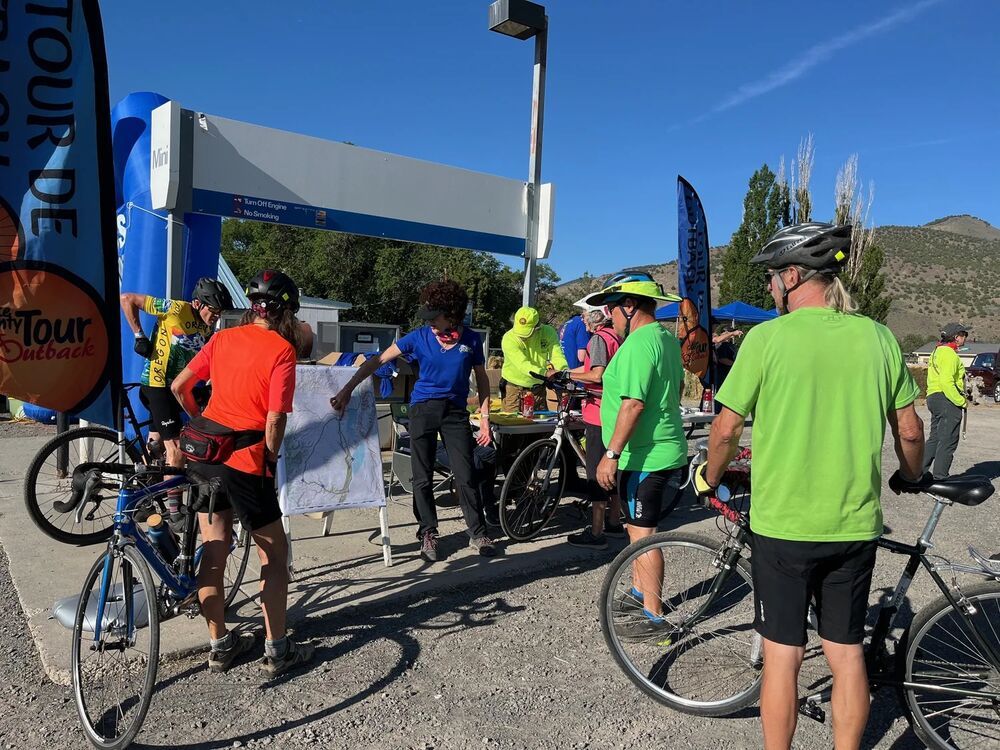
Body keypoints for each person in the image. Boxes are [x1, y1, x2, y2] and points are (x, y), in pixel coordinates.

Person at [696, 223, 924, 750]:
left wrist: (708, 478)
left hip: (784, 526)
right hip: (853, 524)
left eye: (774, 278)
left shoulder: (767, 339)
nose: (772, 288)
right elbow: (910, 430)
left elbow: (726, 429)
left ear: (794, 275)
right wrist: (911, 475)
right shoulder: (878, 336)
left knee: (783, 654)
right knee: (845, 652)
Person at [171, 269, 314, 678]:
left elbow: (182, 386)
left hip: (205, 455)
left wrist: (207, 425)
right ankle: (278, 649)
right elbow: (273, 421)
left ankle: (220, 645)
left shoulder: (222, 337)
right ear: (286, 311)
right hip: (247, 462)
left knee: (214, 550)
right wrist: (270, 460)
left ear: (253, 306)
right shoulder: (282, 350)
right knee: (274, 551)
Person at [331, 280, 496, 562]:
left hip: (455, 412)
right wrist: (347, 389)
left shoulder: (470, 340)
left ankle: (477, 532)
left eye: (436, 317)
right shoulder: (417, 337)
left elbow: (481, 378)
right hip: (422, 409)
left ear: (452, 314)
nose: (431, 323)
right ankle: (428, 532)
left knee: (466, 473)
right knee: (422, 476)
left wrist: (484, 419)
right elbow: (377, 361)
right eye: (428, 318)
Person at [580, 272, 687, 629]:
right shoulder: (665, 339)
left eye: (611, 308)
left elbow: (633, 405)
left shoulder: (641, 344)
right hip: (658, 450)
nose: (608, 316)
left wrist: (610, 455)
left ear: (629, 306)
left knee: (644, 536)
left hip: (645, 455)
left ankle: (654, 618)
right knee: (635, 529)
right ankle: (642, 592)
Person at [120, 278, 233, 469]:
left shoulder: (206, 327)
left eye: (219, 313)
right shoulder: (176, 308)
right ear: (197, 303)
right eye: (213, 310)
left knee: (157, 445)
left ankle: (146, 485)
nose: (215, 316)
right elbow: (127, 298)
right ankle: (175, 499)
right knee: (177, 450)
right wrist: (139, 335)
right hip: (157, 386)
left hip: (174, 389)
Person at [566, 306, 625, 549]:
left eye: (583, 316)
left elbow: (597, 374)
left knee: (595, 473)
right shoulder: (617, 337)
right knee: (614, 471)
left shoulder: (599, 339)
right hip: (613, 412)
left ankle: (597, 530)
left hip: (597, 412)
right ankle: (614, 522)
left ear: (592, 320)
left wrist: (570, 377)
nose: (582, 321)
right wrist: (566, 372)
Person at [500, 306, 568, 412]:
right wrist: (545, 373)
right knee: (512, 424)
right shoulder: (509, 338)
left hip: (538, 388)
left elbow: (557, 355)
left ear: (537, 327)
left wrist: (564, 372)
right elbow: (523, 365)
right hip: (514, 388)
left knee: (540, 425)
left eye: (526, 332)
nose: (522, 336)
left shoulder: (548, 332)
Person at [924, 322, 968, 479]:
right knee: (948, 439)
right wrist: (961, 401)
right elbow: (946, 381)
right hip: (946, 399)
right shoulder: (949, 354)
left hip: (933, 397)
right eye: (964, 335)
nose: (965, 338)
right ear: (956, 337)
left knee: (935, 438)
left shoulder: (936, 351)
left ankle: (918, 473)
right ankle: (940, 477)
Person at [712, 323, 743, 390]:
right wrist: (736, 365)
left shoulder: (730, 344)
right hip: (723, 374)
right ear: (724, 333)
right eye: (730, 332)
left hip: (729, 374)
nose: (732, 335)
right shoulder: (723, 345)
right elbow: (722, 359)